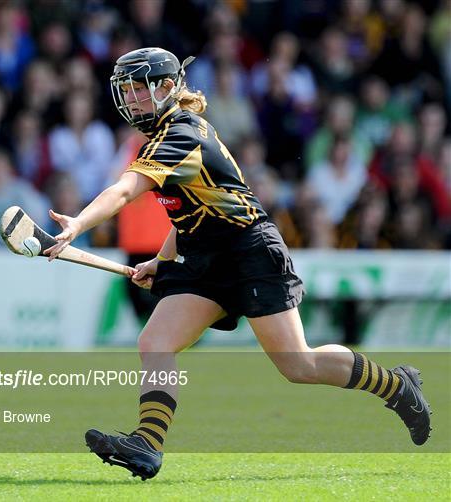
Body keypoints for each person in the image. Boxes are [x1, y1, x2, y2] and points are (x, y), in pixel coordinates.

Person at [44, 48, 431, 481]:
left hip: (250, 250)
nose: (130, 99)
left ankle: (398, 386)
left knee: (297, 365)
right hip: (206, 254)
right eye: (127, 90)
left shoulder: (183, 134)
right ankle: (148, 445)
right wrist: (162, 258)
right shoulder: (163, 137)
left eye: (138, 89)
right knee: (155, 342)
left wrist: (76, 223)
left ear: (167, 88)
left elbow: (122, 192)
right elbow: (189, 209)